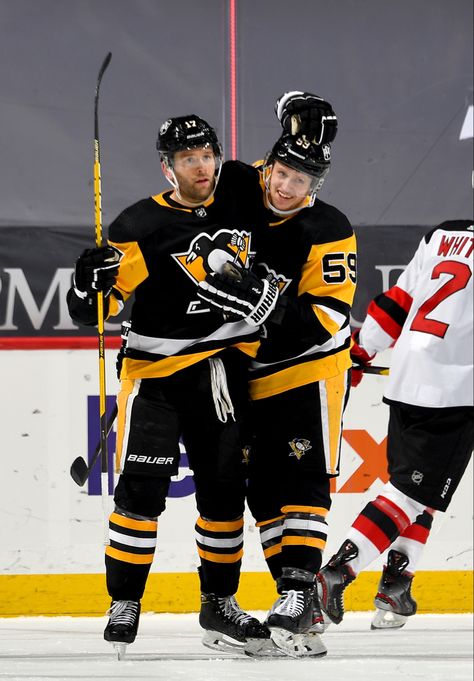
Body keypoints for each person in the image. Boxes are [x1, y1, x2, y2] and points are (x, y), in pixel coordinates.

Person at [67, 114, 273, 657]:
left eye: (207, 154)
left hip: (220, 376)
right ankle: (124, 600)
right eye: (188, 159)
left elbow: (290, 183)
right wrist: (86, 285)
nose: (200, 166)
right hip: (157, 379)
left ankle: (219, 603)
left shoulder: (242, 195)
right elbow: (98, 308)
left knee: (226, 495)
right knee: (140, 492)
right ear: (168, 167)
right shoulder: (140, 224)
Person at [198, 130, 357, 656]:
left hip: (308, 369)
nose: (287, 187)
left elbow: (329, 315)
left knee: (304, 477)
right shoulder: (247, 195)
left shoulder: (328, 226)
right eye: (283, 174)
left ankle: (296, 593)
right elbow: (215, 173)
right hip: (250, 375)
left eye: (302, 180)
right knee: (261, 489)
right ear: (270, 168)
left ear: (316, 185)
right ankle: (300, 608)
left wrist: (267, 307)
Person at [317, 219, 473, 629]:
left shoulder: (443, 234)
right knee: (409, 493)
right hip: (454, 391)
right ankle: (336, 572)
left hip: (407, 376)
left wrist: (361, 350)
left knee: (417, 490)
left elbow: (397, 302)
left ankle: (396, 585)